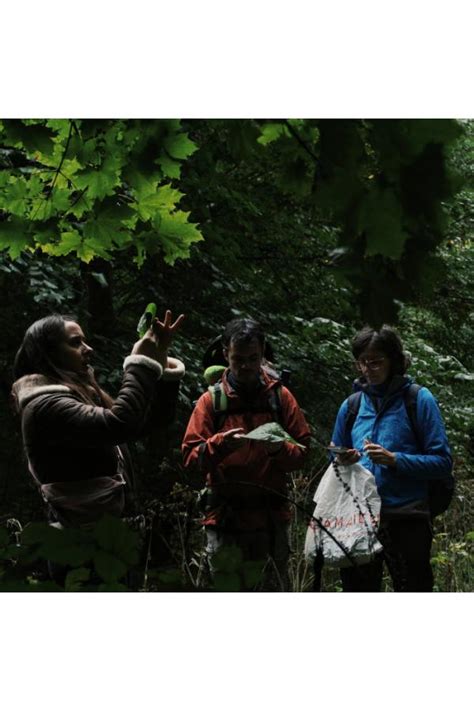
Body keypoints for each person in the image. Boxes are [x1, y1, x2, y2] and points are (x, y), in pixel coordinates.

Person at [11, 310, 185, 534]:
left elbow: (151, 421)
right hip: (79, 542)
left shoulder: (74, 397)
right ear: (48, 354)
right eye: (76, 343)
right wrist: (139, 362)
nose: (88, 348)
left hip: (103, 534)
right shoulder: (46, 406)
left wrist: (160, 359)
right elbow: (120, 424)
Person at [182, 318, 310, 591]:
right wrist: (219, 445)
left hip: (271, 519)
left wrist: (277, 450)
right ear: (226, 353)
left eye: (253, 358)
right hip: (224, 518)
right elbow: (191, 459)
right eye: (238, 358)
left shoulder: (280, 397)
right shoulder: (211, 401)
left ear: (263, 353)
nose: (246, 366)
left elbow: (302, 452)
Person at [327, 325, 453, 592]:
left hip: (407, 518)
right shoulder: (351, 406)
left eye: (376, 362)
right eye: (363, 362)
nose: (368, 369)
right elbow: (334, 457)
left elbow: (442, 462)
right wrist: (342, 458)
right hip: (359, 519)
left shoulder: (418, 399)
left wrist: (395, 459)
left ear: (394, 361)